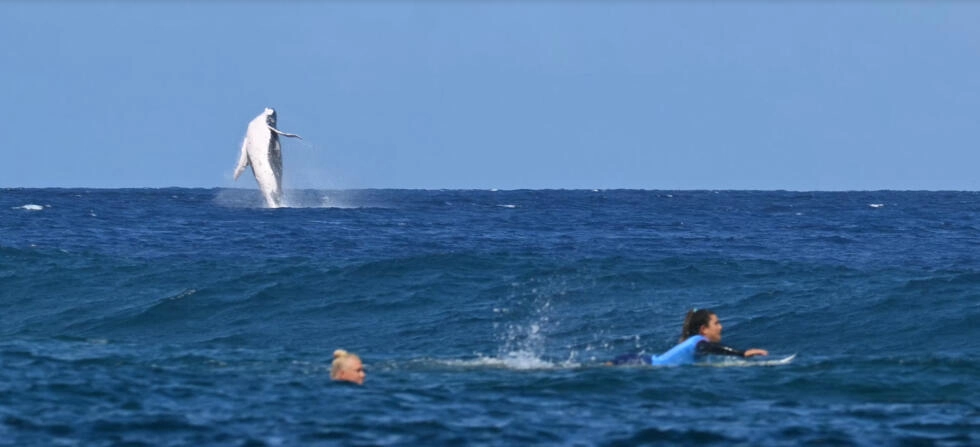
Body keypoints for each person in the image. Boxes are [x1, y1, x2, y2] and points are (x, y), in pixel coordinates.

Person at [609, 308, 768, 366]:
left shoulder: (693, 342)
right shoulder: (699, 341)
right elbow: (710, 348)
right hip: (639, 363)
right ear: (704, 329)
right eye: (716, 323)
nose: (721, 327)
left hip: (639, 361)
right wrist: (742, 353)